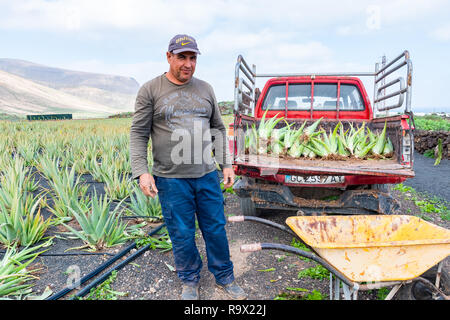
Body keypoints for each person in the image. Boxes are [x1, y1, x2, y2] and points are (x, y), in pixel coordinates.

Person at [129, 34, 247, 300]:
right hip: (171, 179)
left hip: (206, 175)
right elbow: (138, 133)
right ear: (168, 56)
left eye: (192, 58)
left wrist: (225, 163)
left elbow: (217, 126)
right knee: (181, 232)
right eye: (182, 57)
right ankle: (190, 280)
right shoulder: (151, 90)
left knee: (215, 227)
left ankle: (224, 277)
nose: (188, 64)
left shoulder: (205, 89)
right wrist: (142, 171)